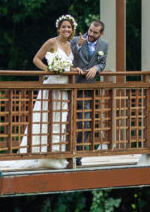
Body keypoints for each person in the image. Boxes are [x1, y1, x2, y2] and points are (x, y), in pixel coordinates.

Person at [19, 14, 76, 168]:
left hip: (64, 88)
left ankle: (56, 154)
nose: (66, 29)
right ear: (59, 28)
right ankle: (41, 152)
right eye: (63, 27)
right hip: (52, 85)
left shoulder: (70, 46)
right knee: (47, 117)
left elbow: (67, 66)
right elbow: (36, 59)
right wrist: (49, 70)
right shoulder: (52, 42)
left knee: (60, 119)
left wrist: (74, 69)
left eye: (69, 27)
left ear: (72, 30)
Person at [71, 21, 108, 158]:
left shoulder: (104, 45)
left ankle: (78, 153)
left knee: (85, 122)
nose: (91, 34)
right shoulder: (76, 40)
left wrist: (95, 68)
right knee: (68, 120)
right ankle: (66, 152)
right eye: (90, 30)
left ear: (101, 33)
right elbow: (69, 58)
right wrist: (78, 46)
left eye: (95, 32)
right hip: (72, 86)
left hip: (88, 88)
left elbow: (102, 63)